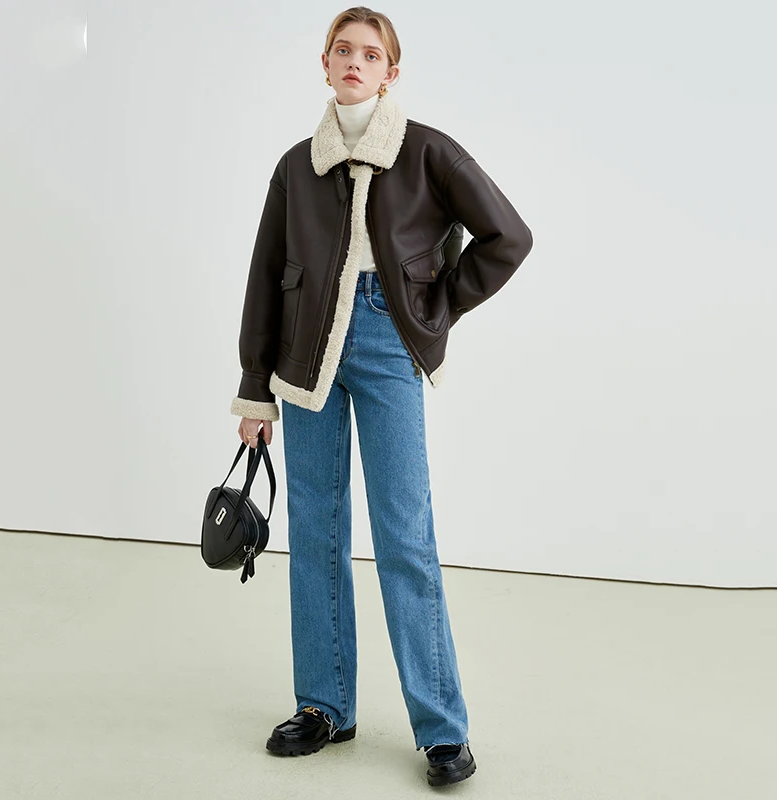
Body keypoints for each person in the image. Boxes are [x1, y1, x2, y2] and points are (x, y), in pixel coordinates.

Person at [230, 6, 533, 787]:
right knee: (316, 532)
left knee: (405, 537)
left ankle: (441, 729)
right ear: (324, 65)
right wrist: (254, 389)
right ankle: (324, 705)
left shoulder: (427, 150)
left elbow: (509, 237)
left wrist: (433, 308)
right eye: (343, 50)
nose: (355, 62)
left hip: (387, 341)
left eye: (371, 54)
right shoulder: (296, 166)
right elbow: (266, 275)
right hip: (305, 357)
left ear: (391, 72)